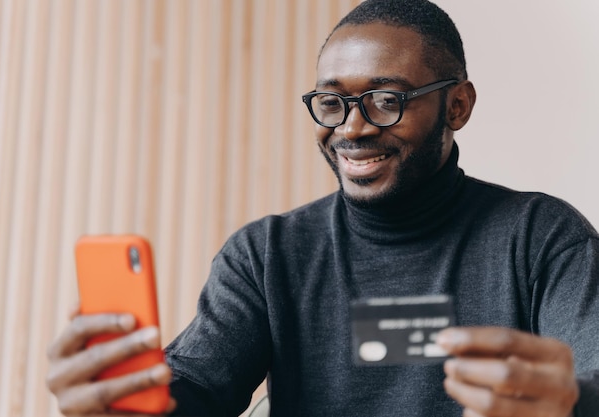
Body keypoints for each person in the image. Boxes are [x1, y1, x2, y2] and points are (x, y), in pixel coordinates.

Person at [46, 0, 599, 416]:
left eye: (387, 101)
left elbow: (592, 380)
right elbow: (196, 389)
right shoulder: (267, 254)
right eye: (332, 103)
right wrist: (120, 401)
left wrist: (571, 404)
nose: (352, 128)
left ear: (457, 105)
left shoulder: (543, 237)